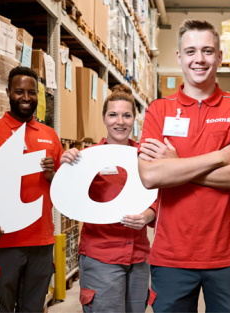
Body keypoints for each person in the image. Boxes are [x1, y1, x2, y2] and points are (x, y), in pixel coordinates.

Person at [137, 19, 230, 313]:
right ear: (179, 57)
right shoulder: (159, 110)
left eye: (208, 51)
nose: (200, 59)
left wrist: (176, 167)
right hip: (171, 256)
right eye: (191, 51)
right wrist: (219, 157)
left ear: (219, 57)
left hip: (229, 255)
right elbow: (150, 175)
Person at [0, 66, 64, 313]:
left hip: (41, 242)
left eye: (31, 92)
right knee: (0, 309)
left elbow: (63, 187)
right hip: (2, 242)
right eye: (19, 91)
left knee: (33, 308)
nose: (26, 98)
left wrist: (52, 175)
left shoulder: (50, 137)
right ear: (8, 92)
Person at [60, 84, 157, 313]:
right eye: (113, 115)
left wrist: (147, 216)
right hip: (101, 255)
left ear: (134, 119)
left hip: (138, 256)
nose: (119, 122)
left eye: (126, 115)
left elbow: (159, 195)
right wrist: (66, 166)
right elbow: (69, 196)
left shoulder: (144, 157)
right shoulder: (88, 158)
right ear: (104, 118)